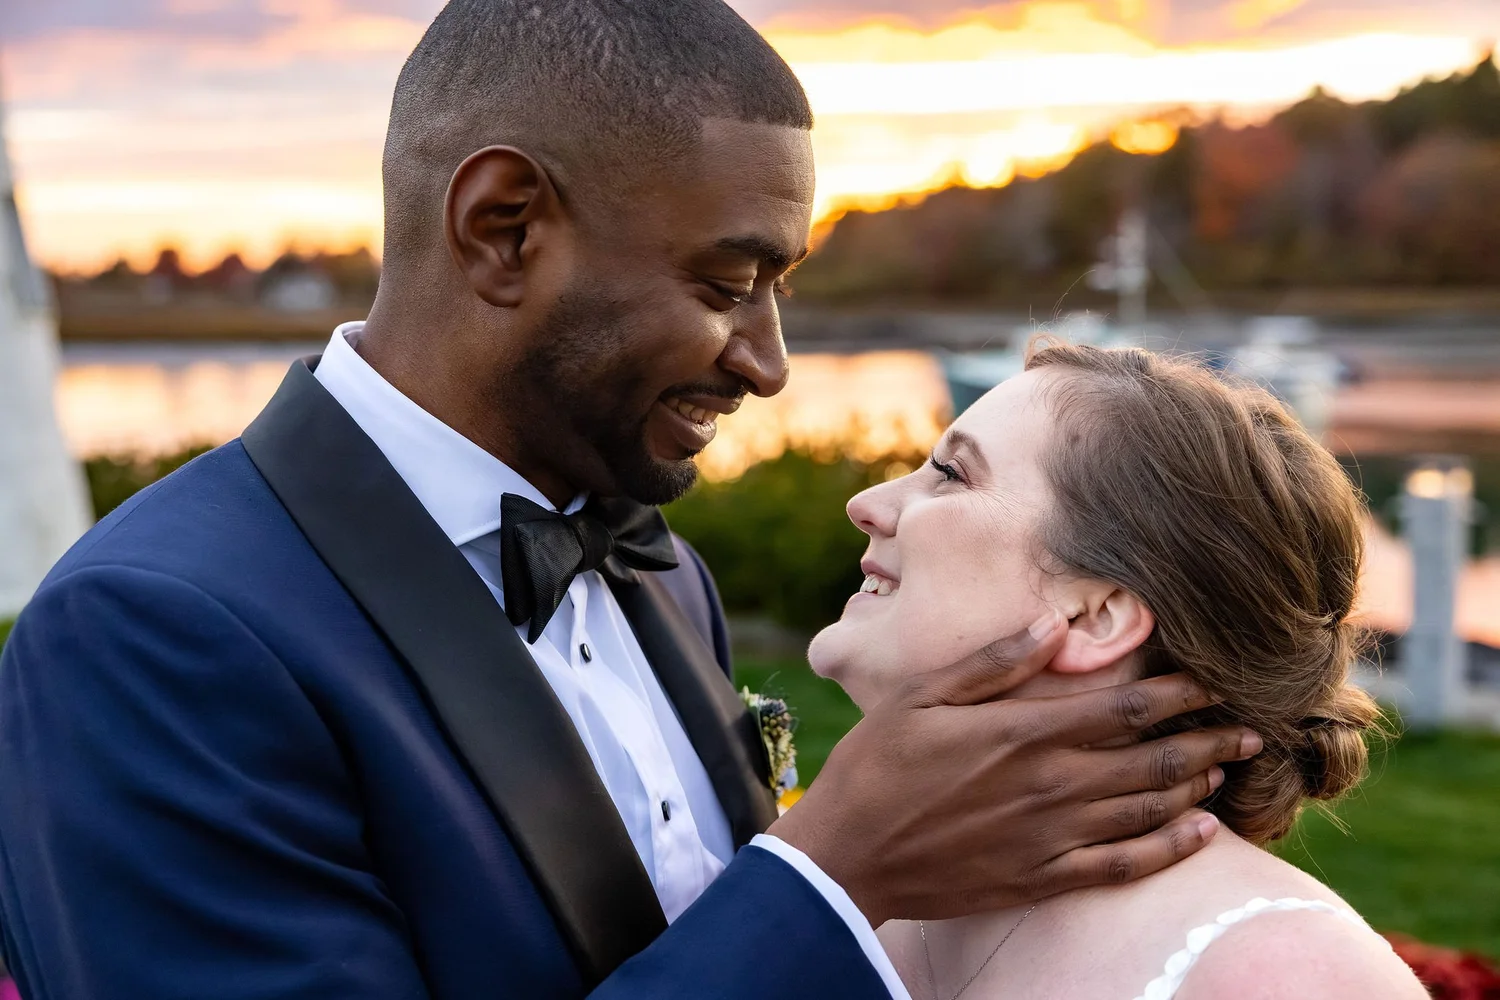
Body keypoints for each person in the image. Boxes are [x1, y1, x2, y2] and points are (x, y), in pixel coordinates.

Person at [0, 4, 1257, 999]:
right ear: (502, 230)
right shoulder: (150, 632)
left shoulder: (660, 567)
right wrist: (836, 869)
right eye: (729, 280)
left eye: (782, 289)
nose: (767, 361)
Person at [809, 342, 1428, 1000]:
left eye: (952, 474)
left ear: (1096, 616)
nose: (868, 503)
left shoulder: (1286, 976)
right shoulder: (850, 893)